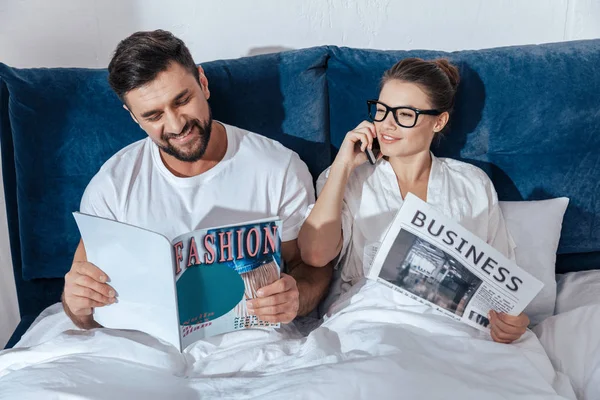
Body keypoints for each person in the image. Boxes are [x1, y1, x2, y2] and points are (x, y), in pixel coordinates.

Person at [61, 29, 332, 330]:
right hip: (147, 351)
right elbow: (82, 314)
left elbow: (310, 268)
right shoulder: (112, 186)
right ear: (133, 117)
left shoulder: (278, 168)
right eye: (153, 116)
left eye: (182, 100)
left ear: (202, 82)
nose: (176, 125)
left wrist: (297, 296)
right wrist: (76, 303)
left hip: (249, 344)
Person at [298, 57, 529, 344]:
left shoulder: (472, 183)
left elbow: (502, 286)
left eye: (405, 114)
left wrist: (512, 323)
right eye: (381, 111)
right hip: (370, 322)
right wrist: (343, 166)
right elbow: (314, 255)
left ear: (439, 121)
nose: (387, 124)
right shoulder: (348, 178)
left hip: (452, 332)